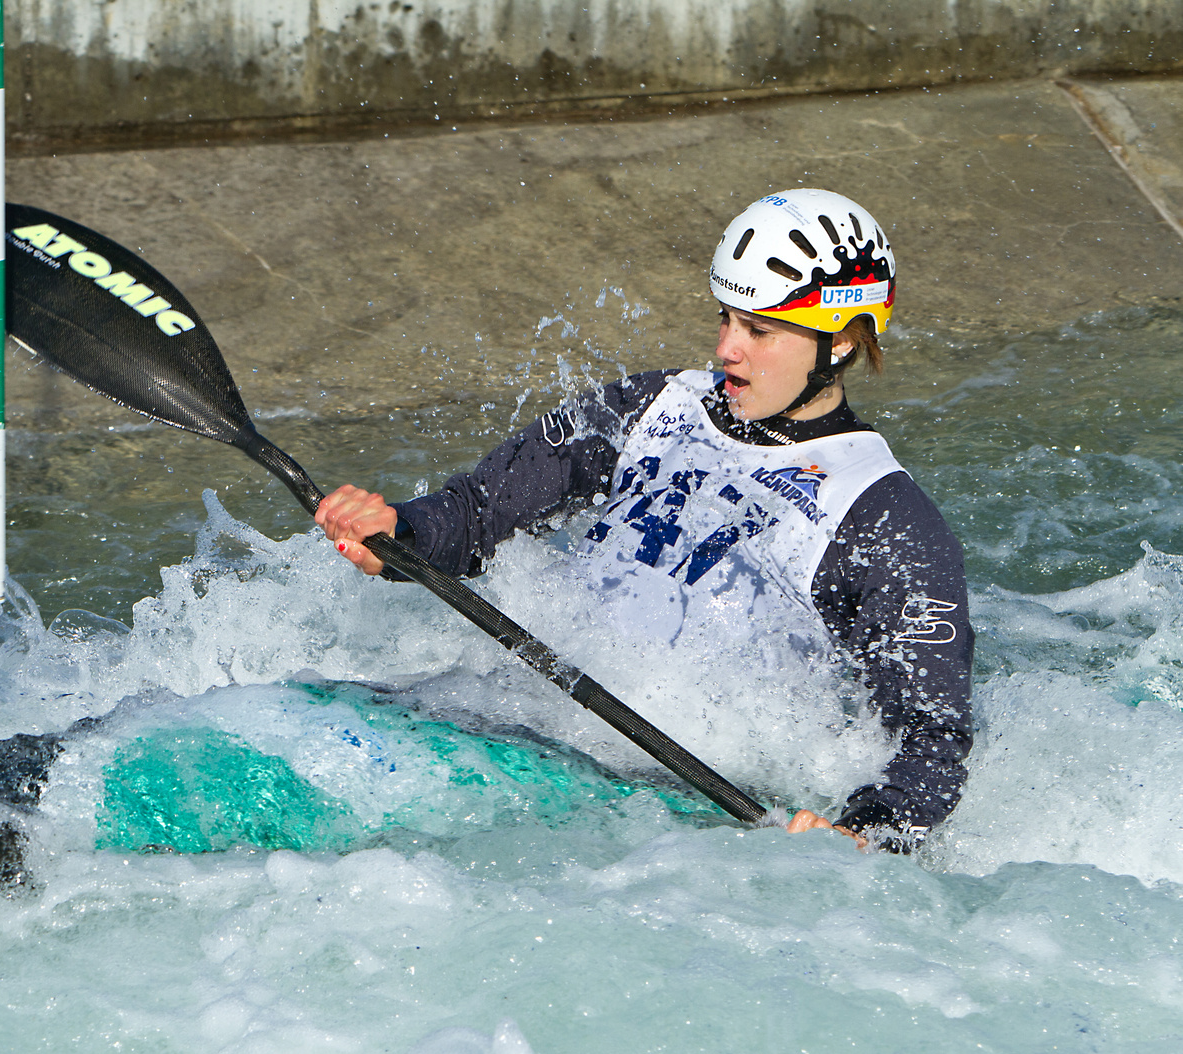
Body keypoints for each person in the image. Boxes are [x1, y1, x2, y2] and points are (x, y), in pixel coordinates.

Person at [314, 189, 973, 852]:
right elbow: (481, 514)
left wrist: (858, 835)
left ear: (844, 340)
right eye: (726, 319)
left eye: (759, 330)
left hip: (660, 813)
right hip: (510, 728)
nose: (726, 349)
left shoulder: (885, 518)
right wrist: (402, 530)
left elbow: (929, 739)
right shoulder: (649, 406)